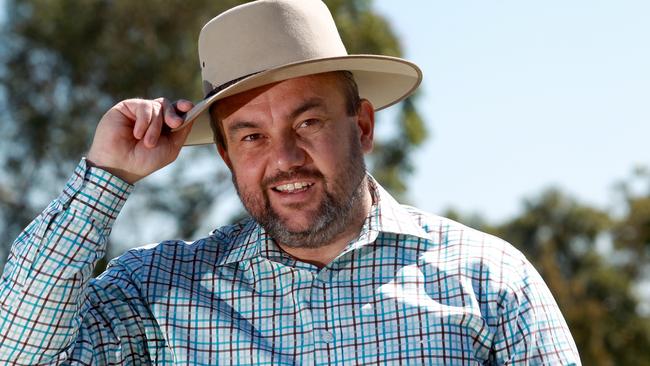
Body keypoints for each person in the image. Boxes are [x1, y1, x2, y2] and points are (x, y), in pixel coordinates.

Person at [0, 0, 581, 364]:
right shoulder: (156, 295)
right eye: (251, 135)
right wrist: (106, 179)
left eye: (308, 121)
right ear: (226, 156)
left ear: (362, 125)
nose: (285, 158)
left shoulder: (491, 281)